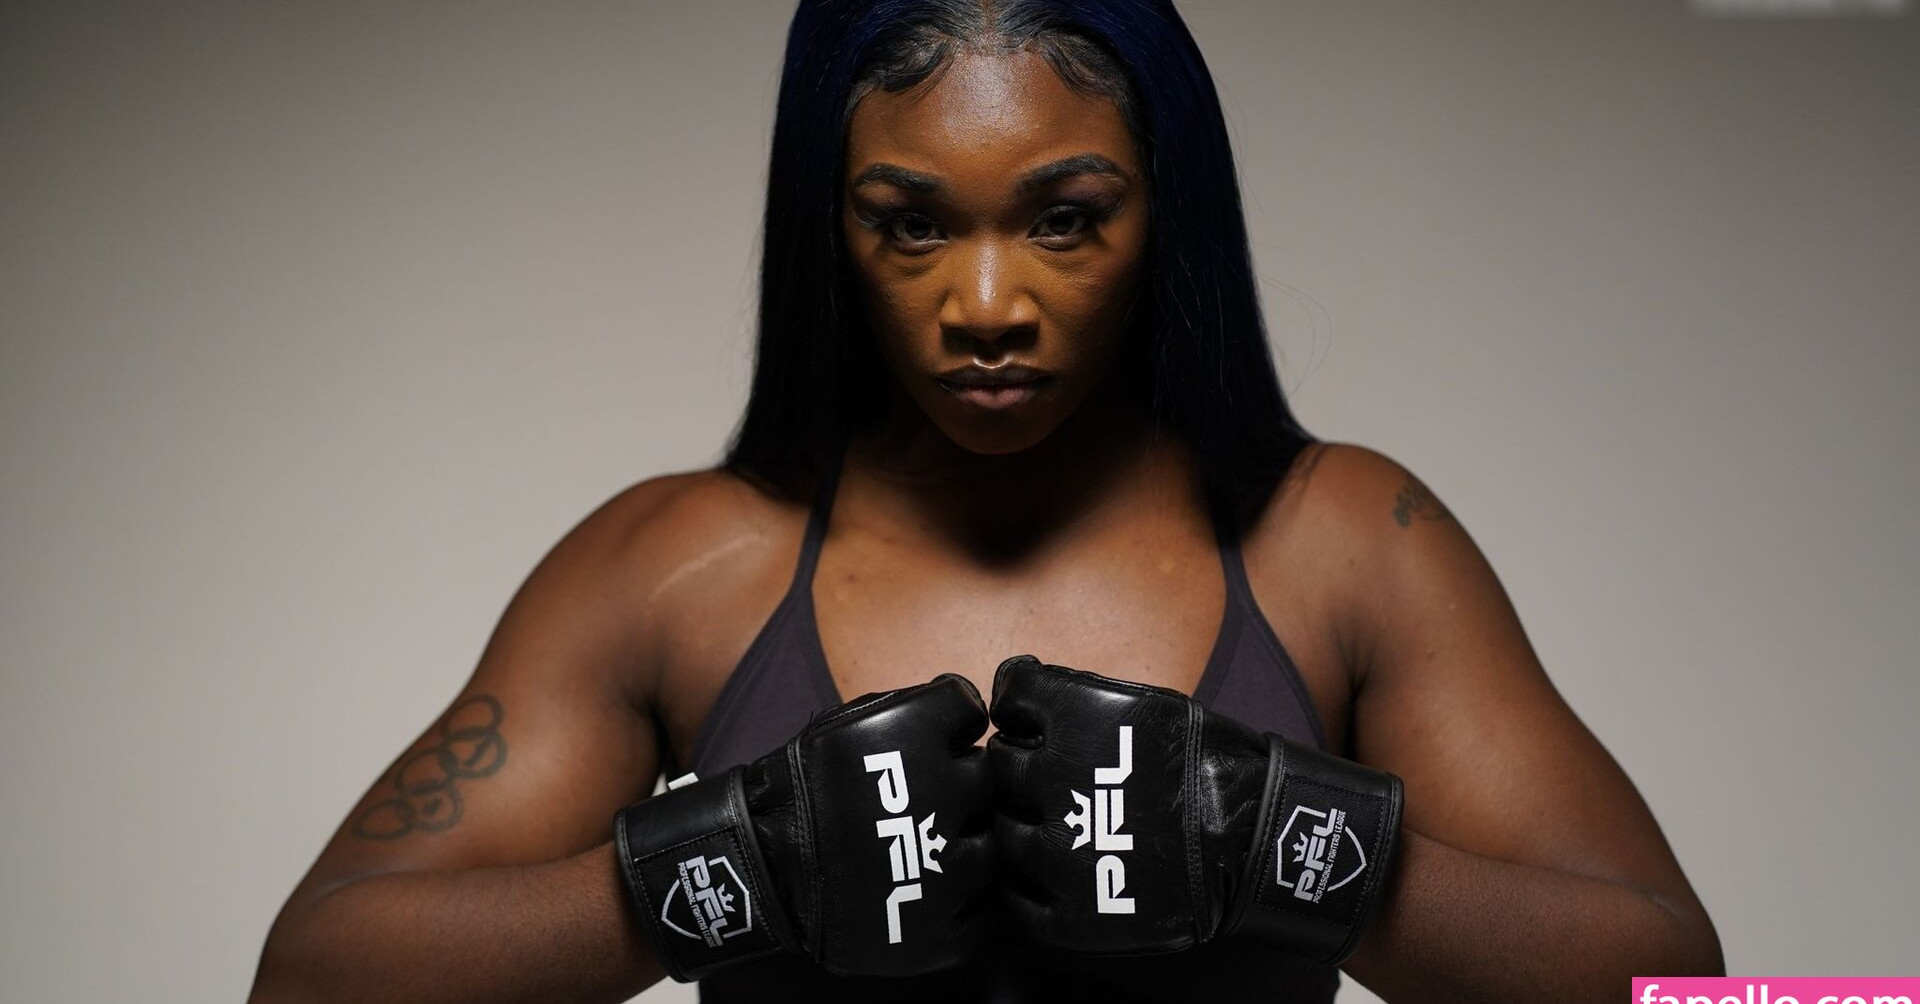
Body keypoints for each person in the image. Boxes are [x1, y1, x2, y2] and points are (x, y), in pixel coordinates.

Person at [248, 2, 1724, 1002]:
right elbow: (310, 977)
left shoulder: (1341, 542)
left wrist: (1284, 842)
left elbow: (1688, 986)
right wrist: (722, 866)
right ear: (831, 225)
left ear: (1166, 210)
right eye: (911, 225)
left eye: (1066, 218)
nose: (988, 304)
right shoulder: (678, 569)